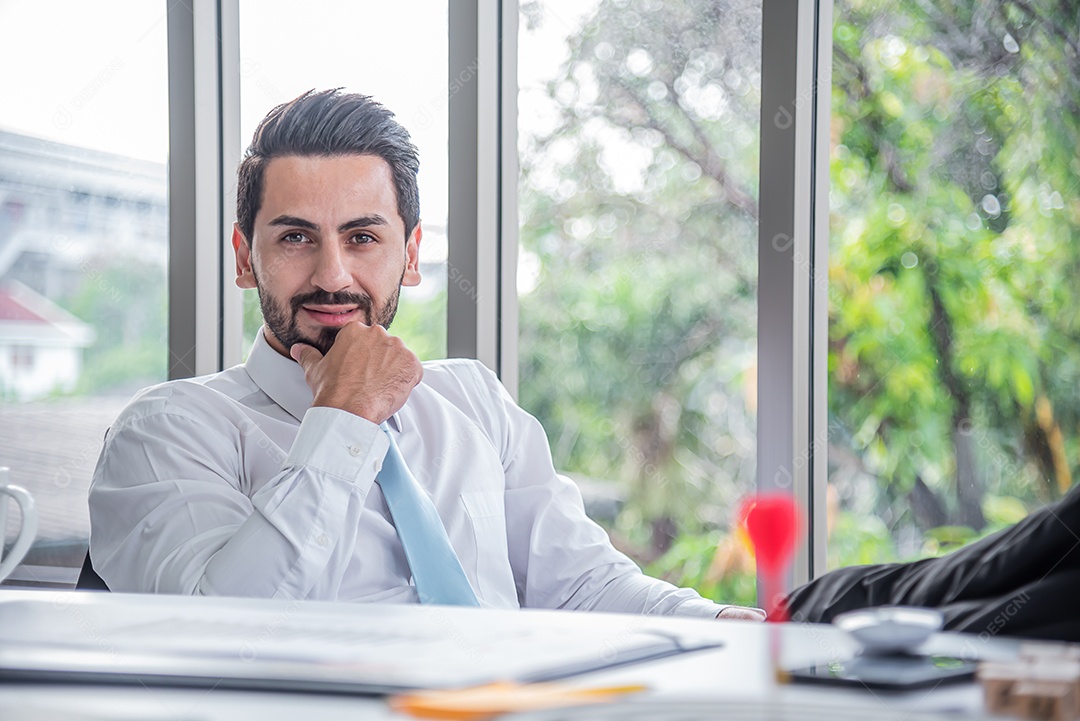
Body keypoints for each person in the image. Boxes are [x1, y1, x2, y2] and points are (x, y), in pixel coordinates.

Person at [87, 88, 763, 621]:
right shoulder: (168, 428)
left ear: (409, 257)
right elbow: (218, 631)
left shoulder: (474, 401)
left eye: (362, 238)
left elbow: (583, 585)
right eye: (296, 238)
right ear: (244, 258)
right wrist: (345, 417)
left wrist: (734, 624)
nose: (332, 275)